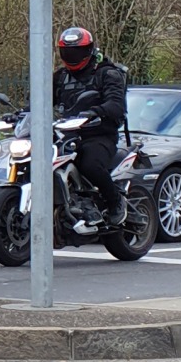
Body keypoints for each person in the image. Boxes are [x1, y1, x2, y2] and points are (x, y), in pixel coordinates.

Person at [52, 27, 130, 224]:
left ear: (88, 50)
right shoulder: (61, 77)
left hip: (98, 134)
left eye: (76, 51)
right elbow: (40, 100)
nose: (71, 56)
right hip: (66, 134)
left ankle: (115, 201)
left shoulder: (107, 73)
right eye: (67, 51)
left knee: (90, 165)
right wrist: (21, 113)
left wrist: (96, 111)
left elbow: (116, 105)